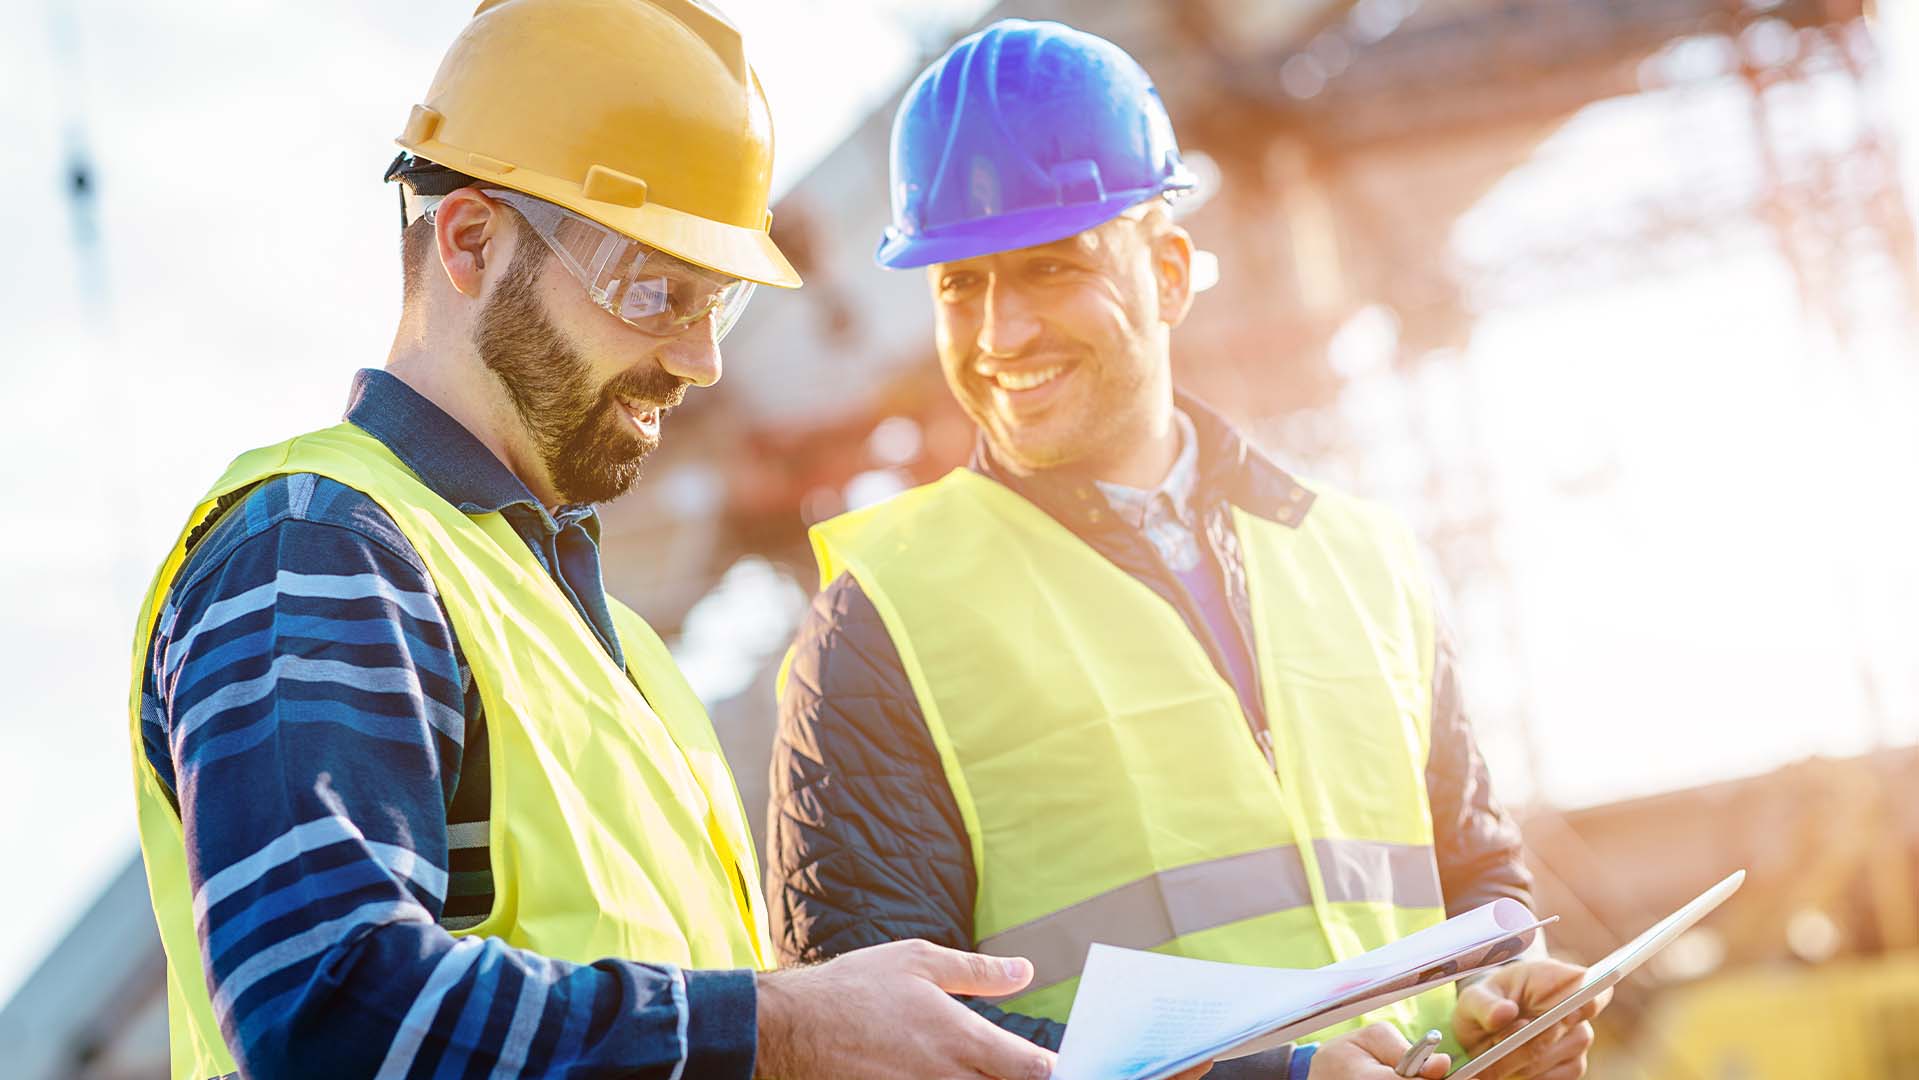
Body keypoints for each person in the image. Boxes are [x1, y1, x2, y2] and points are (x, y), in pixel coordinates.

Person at [128, 3, 1070, 1078]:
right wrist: (781, 1028)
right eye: (657, 291)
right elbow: (324, 1007)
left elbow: (734, 1016)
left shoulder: (617, 656)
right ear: (471, 242)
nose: (701, 359)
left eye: (714, 303)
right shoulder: (317, 548)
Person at [766, 19, 1609, 1080]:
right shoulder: (881, 620)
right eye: (957, 286)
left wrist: (1500, 994)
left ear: (1166, 271)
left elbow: (1476, 876)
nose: (997, 334)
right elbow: (873, 1048)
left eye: (1046, 268)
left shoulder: (1364, 557)